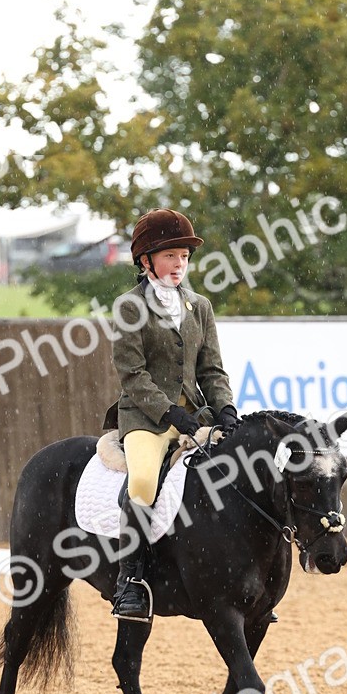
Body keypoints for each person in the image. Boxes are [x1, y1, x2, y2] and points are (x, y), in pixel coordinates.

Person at [107, 208, 239, 622]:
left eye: (184, 256)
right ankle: (130, 582)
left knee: (239, 472)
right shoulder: (129, 307)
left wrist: (226, 407)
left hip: (196, 415)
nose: (179, 264)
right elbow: (133, 375)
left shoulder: (199, 306)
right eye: (170, 256)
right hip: (146, 419)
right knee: (143, 481)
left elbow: (211, 369)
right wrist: (169, 414)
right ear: (146, 261)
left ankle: (241, 580)